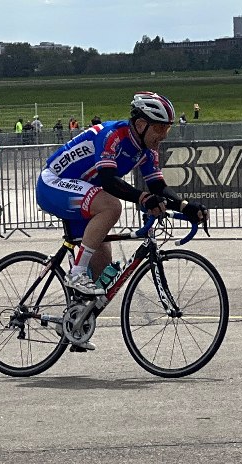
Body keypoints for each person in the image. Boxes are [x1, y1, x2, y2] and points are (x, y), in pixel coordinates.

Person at [35, 91, 207, 315]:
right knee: (111, 206)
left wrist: (186, 206)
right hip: (53, 184)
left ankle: (76, 319)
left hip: (82, 191)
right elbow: (108, 180)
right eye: (159, 128)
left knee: (103, 269)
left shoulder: (146, 150)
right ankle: (76, 273)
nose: (163, 135)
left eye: (167, 129)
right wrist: (142, 198)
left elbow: (158, 186)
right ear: (141, 124)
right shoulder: (113, 135)